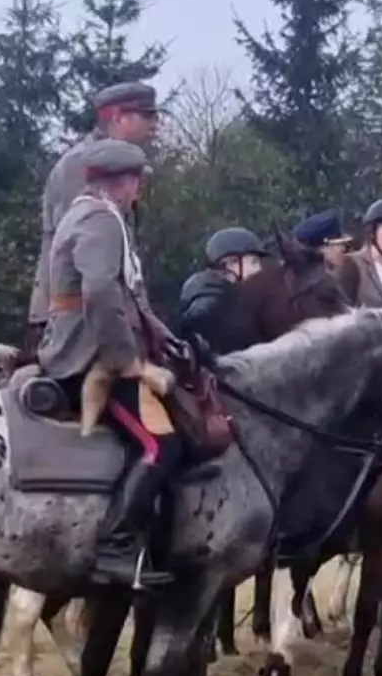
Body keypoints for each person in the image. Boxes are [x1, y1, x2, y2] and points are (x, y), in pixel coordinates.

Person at [36, 139, 179, 590]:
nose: (140, 191)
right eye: (137, 182)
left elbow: (128, 296)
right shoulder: (99, 219)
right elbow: (99, 294)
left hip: (99, 343)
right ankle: (114, 549)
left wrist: (171, 340)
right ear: (121, 182)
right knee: (162, 445)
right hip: (87, 353)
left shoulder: (95, 215)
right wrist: (129, 364)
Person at [27, 82, 161, 355]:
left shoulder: (118, 165)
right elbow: (90, 269)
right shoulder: (84, 164)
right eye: (147, 115)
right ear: (118, 117)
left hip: (102, 319)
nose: (156, 124)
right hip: (80, 328)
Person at [177, 227, 269, 355]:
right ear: (230, 264)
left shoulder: (232, 297)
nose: (259, 269)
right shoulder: (209, 303)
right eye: (254, 262)